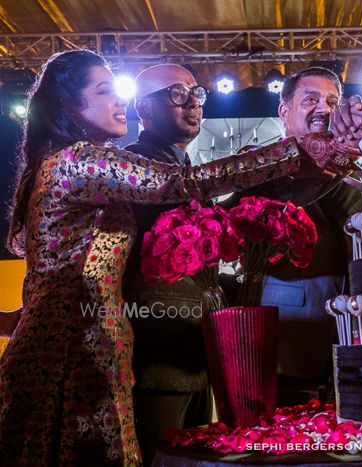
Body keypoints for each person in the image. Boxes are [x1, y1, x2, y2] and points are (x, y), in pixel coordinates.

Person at [0, 50, 353, 465]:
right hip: (74, 347)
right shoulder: (78, 160)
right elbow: (179, 183)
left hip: (90, 337)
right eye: (105, 91)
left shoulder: (71, 163)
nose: (119, 102)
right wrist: (292, 153)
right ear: (67, 104)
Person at [221, 66, 362, 406]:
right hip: (287, 336)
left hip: (353, 336)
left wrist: (345, 156)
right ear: (284, 111)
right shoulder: (262, 167)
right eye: (311, 100)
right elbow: (228, 223)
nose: (324, 109)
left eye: (332, 101)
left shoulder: (358, 163)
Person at [118, 64, 209, 466]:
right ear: (143, 108)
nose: (192, 103)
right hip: (156, 357)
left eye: (196, 93)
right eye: (177, 93)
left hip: (193, 354)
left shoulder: (182, 166)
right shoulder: (135, 165)